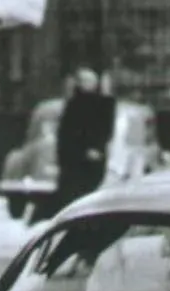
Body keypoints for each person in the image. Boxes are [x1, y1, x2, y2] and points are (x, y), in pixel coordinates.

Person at [32, 65, 117, 223]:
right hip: (77, 160)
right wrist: (85, 150)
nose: (91, 83)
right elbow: (71, 133)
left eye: (92, 80)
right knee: (72, 194)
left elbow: (105, 126)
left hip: (90, 160)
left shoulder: (97, 103)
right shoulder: (76, 104)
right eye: (86, 80)